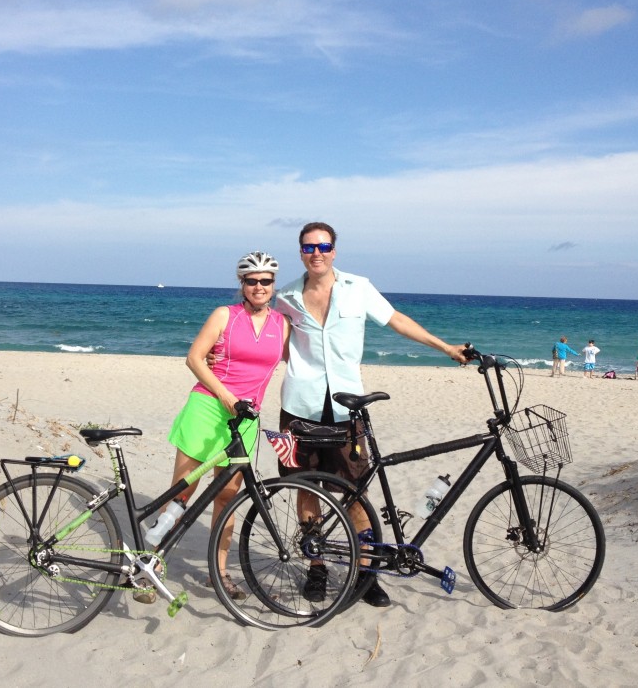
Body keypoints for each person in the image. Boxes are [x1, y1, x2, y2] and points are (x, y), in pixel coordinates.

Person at [273, 222, 468, 608]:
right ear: (300, 252)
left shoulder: (358, 287)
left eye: (324, 246)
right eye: (309, 247)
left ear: (334, 250)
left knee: (354, 493)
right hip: (299, 408)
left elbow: (396, 320)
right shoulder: (286, 297)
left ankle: (365, 573)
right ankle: (317, 567)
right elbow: (270, 343)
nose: (317, 252)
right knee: (306, 489)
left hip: (348, 409)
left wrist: (443, 346)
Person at [146, 251, 289, 604]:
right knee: (182, 491)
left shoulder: (282, 324)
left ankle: (219, 571)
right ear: (241, 284)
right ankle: (151, 566)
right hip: (209, 408)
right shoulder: (225, 315)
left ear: (273, 285)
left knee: (227, 498)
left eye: (265, 281)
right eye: (251, 280)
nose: (258, 286)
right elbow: (195, 357)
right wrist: (224, 394)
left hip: (246, 420)